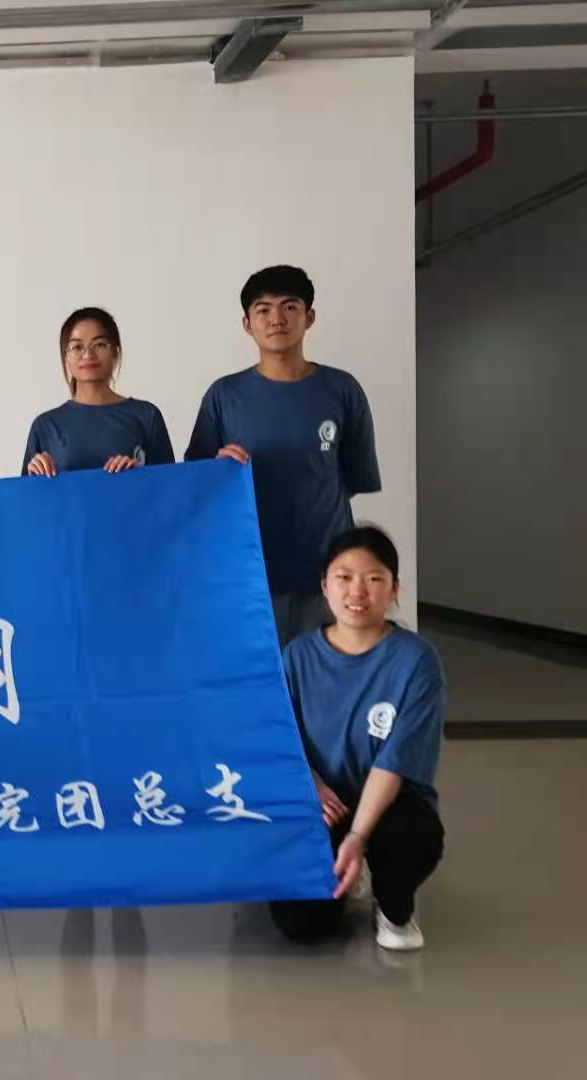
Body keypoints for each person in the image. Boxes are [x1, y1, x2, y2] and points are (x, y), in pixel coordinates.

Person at [185, 266, 380, 644]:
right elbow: (198, 484)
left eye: (290, 307)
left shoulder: (342, 389)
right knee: (258, 676)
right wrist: (219, 468)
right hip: (249, 571)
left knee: (324, 674)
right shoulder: (224, 396)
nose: (277, 319)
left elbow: (351, 481)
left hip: (328, 574)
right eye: (263, 310)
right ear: (247, 324)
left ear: (310, 317)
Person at [271, 526, 445, 951]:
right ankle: (346, 874)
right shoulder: (297, 656)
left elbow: (394, 763)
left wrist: (358, 835)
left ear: (394, 589)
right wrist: (311, 785)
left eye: (374, 578)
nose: (358, 591)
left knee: (408, 841)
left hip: (391, 800)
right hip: (322, 800)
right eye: (344, 577)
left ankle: (392, 901)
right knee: (300, 923)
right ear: (324, 586)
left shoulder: (416, 661)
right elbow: (278, 738)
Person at [24, 307, 174, 477]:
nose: (88, 355)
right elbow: (25, 493)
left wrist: (138, 476)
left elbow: (170, 485)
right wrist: (36, 476)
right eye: (77, 347)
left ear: (115, 352)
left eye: (100, 344)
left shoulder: (147, 416)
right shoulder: (45, 426)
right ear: (65, 356)